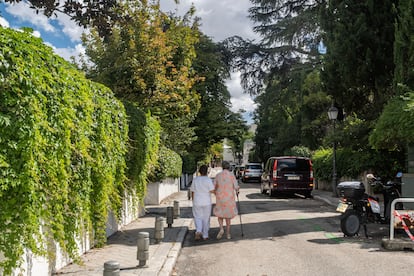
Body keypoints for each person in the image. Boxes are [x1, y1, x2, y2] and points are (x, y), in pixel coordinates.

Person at [213, 161, 240, 240]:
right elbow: (236, 187)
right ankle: (228, 234)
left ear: (222, 167)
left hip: (220, 198)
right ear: (228, 167)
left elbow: (214, 186)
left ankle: (221, 228)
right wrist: (237, 191)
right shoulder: (232, 175)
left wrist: (216, 193)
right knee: (228, 216)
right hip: (229, 198)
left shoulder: (218, 175)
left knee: (220, 214)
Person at [190, 164, 215, 240]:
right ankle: (205, 235)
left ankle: (198, 231)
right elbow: (212, 190)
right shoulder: (208, 180)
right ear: (207, 172)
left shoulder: (195, 180)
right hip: (206, 202)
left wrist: (193, 200)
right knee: (206, 218)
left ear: (199, 171)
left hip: (197, 201)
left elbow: (193, 191)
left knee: (197, 217)